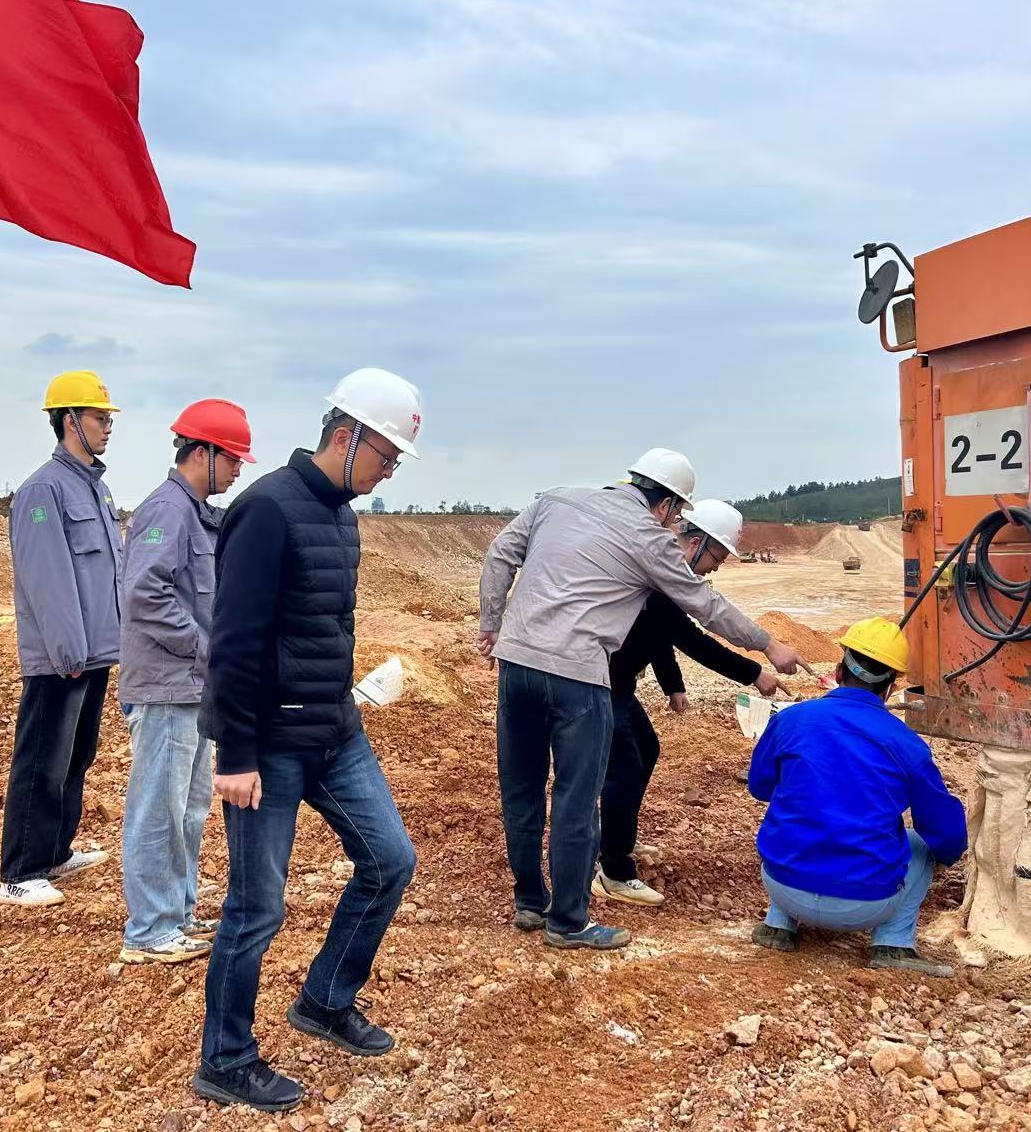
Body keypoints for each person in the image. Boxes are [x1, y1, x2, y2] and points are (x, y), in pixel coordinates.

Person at [193, 368, 422, 1115]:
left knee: (390, 859)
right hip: (270, 743)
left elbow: (331, 626)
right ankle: (226, 1059)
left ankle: (325, 999)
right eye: (385, 454)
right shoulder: (266, 509)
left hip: (334, 731)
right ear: (345, 435)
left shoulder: (342, 515)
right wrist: (235, 754)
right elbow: (233, 639)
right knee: (257, 906)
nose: (389, 469)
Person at [478, 451, 805, 952]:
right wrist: (767, 644)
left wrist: (491, 622)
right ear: (668, 504)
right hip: (579, 677)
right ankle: (568, 922)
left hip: (516, 664)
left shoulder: (556, 499)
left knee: (521, 791)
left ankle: (529, 902)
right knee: (575, 800)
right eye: (675, 513)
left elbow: (501, 553)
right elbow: (705, 607)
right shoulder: (650, 537)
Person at [593, 499, 801, 907]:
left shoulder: (661, 577)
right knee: (625, 766)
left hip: (615, 682)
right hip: (596, 681)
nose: (715, 569)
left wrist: (673, 685)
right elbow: (692, 639)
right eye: (716, 558)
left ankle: (619, 840)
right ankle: (613, 871)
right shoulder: (659, 575)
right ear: (694, 543)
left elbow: (655, 633)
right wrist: (755, 673)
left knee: (646, 749)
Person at [747, 617, 967, 977]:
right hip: (866, 906)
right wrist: (948, 855)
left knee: (797, 815)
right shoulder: (906, 743)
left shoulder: (791, 720)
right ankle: (893, 944)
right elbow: (945, 832)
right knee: (919, 844)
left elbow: (760, 787)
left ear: (838, 672)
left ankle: (779, 926)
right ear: (890, 687)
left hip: (784, 886)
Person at [116, 399, 255, 965]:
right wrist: (207, 649)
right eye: (233, 459)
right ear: (202, 453)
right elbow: (144, 594)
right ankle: (150, 929)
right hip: (167, 686)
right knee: (159, 810)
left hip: (191, 688)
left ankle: (176, 914)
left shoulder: (195, 513)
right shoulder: (167, 511)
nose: (238, 470)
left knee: (188, 810)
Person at [0, 371, 124, 907]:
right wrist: (68, 650)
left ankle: (54, 851)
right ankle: (20, 871)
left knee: (76, 755)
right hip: (62, 656)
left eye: (109, 418)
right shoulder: (42, 491)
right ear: (69, 420)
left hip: (94, 650)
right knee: (43, 760)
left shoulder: (95, 487)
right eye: (99, 417)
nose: (107, 427)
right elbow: (46, 578)